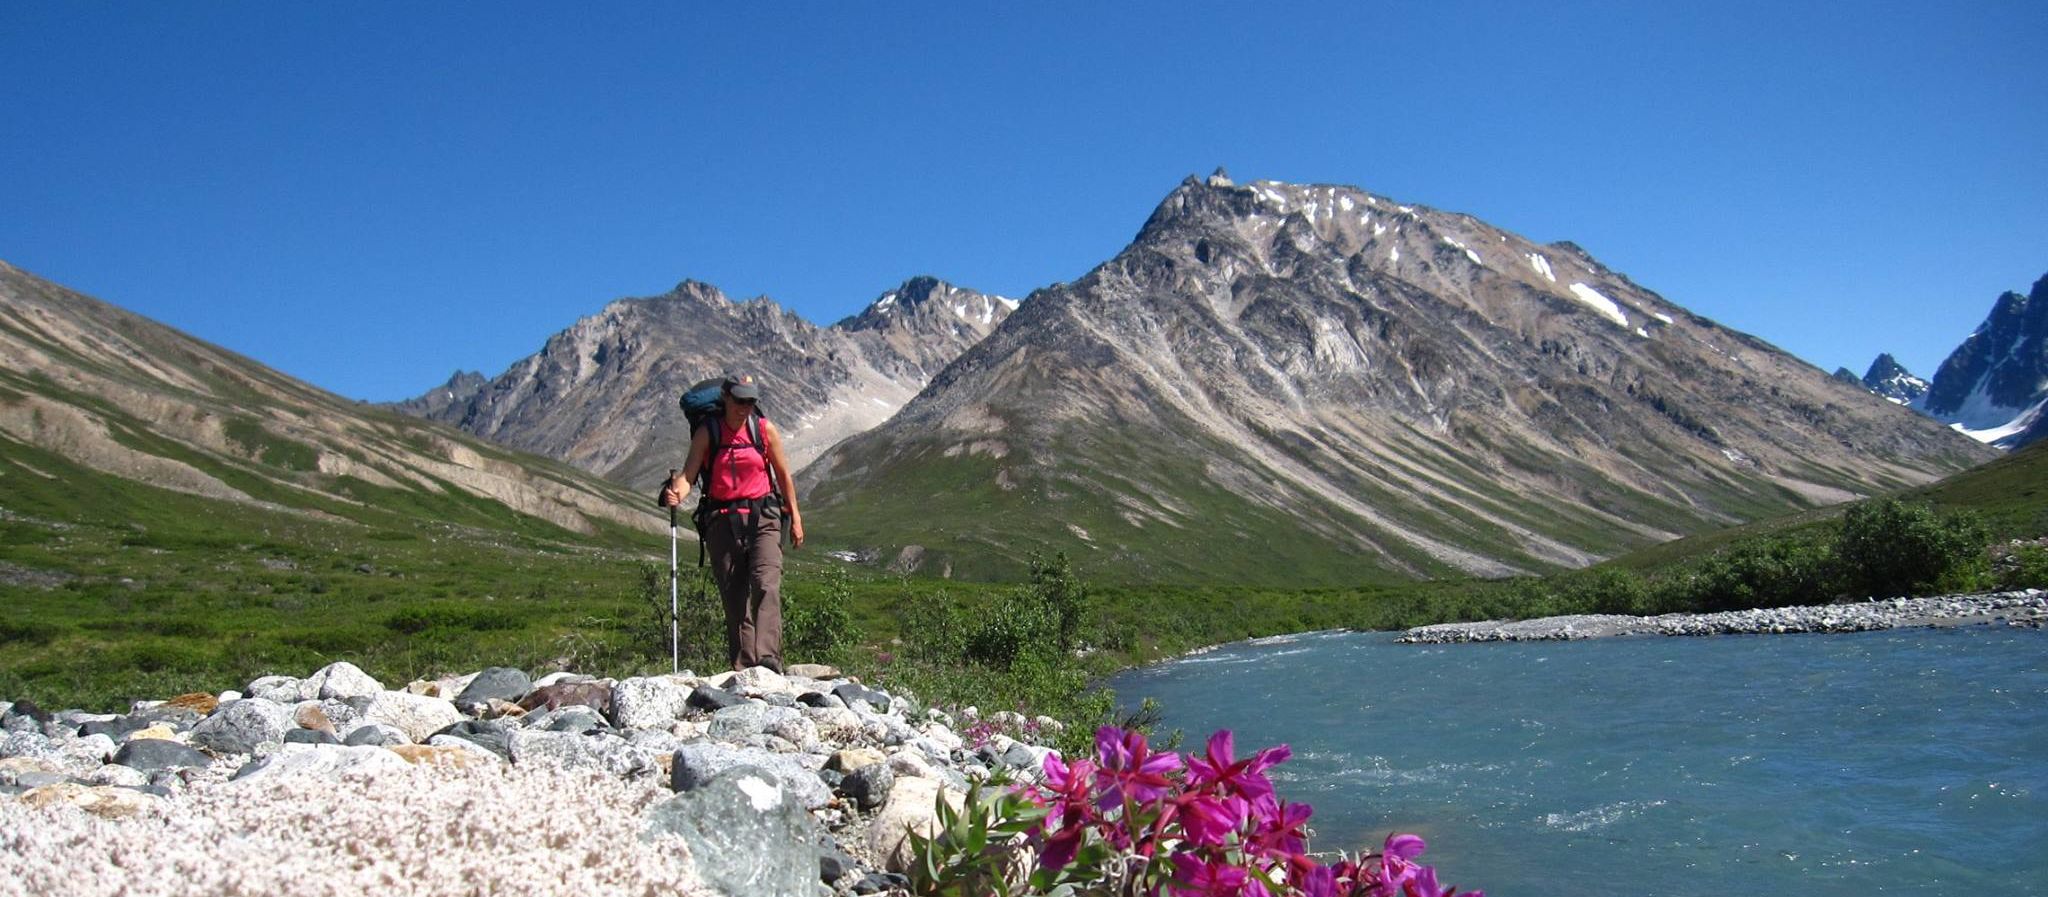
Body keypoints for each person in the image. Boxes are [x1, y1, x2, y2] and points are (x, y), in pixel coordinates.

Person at [658, 375, 804, 672]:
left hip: (764, 516)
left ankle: (768, 659)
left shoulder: (763, 429)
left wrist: (796, 518)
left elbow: (782, 475)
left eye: (750, 401)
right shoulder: (707, 432)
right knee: (734, 597)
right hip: (722, 521)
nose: (744, 407)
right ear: (725, 397)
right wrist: (675, 494)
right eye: (739, 400)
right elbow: (688, 476)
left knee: (766, 583)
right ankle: (744, 666)